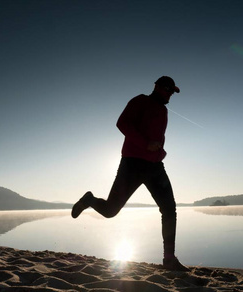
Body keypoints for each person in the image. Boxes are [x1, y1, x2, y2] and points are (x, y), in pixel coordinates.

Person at [71, 76, 189, 271]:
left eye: (172, 92)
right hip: (132, 164)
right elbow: (122, 123)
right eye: (167, 89)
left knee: (169, 209)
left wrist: (161, 152)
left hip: (155, 167)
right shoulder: (140, 100)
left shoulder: (164, 110)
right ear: (157, 87)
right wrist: (145, 144)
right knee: (110, 211)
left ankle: (169, 260)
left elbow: (158, 138)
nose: (169, 94)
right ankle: (89, 200)